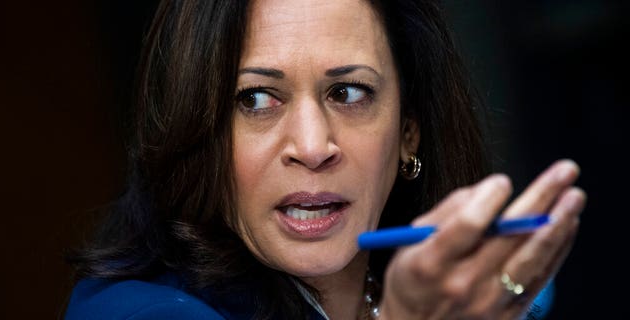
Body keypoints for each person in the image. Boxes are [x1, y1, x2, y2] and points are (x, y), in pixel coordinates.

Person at [64, 0, 586, 319]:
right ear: (201, 132)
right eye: (256, 99)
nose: (313, 148)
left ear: (409, 133)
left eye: (350, 93)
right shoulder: (134, 312)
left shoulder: (468, 302)